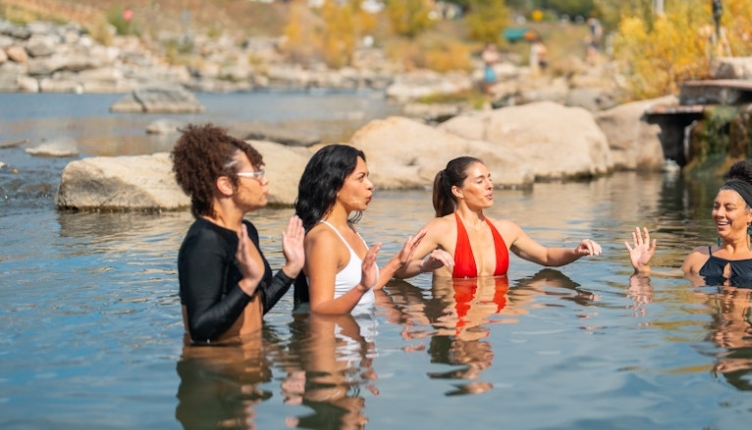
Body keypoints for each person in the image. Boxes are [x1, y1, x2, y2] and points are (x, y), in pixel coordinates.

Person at [172, 124, 305, 345]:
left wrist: (290, 269)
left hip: (250, 364)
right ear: (225, 184)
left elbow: (255, 307)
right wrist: (248, 282)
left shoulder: (247, 231)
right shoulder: (205, 241)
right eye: (256, 174)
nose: (265, 180)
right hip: (218, 369)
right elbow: (200, 329)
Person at [294, 144, 452, 316]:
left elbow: (370, 286)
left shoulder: (348, 228)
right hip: (339, 341)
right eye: (360, 178)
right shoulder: (323, 238)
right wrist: (361, 288)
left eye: (368, 177)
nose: (370, 185)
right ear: (334, 186)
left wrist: (401, 262)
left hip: (358, 339)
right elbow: (320, 309)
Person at [625, 160, 752, 289]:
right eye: (716, 206)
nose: (719, 214)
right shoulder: (697, 257)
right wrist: (642, 269)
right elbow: (665, 280)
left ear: (751, 215)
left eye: (728, 208)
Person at [399, 156, 601, 280]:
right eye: (480, 181)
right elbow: (397, 270)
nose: (490, 185)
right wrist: (424, 266)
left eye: (490, 178)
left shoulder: (506, 229)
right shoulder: (440, 229)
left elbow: (546, 256)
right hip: (449, 319)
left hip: (493, 318)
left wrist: (576, 252)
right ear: (458, 191)